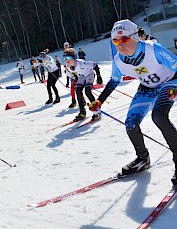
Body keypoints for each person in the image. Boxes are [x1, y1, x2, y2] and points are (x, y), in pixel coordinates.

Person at [89, 19, 177, 187]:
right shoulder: (118, 60)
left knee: (159, 116)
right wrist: (100, 100)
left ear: (135, 37)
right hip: (147, 88)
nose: (120, 45)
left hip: (170, 82)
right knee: (130, 123)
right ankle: (142, 158)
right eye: (116, 41)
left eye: (124, 39)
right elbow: (114, 81)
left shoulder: (153, 50)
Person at [63, 48, 102, 121]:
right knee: (78, 91)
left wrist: (99, 76)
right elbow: (73, 74)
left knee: (87, 91)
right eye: (64, 58)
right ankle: (82, 111)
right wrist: (75, 79)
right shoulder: (68, 66)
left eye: (68, 57)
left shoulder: (82, 63)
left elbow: (95, 65)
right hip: (81, 76)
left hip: (89, 74)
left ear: (73, 57)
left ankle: (97, 111)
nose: (66, 60)